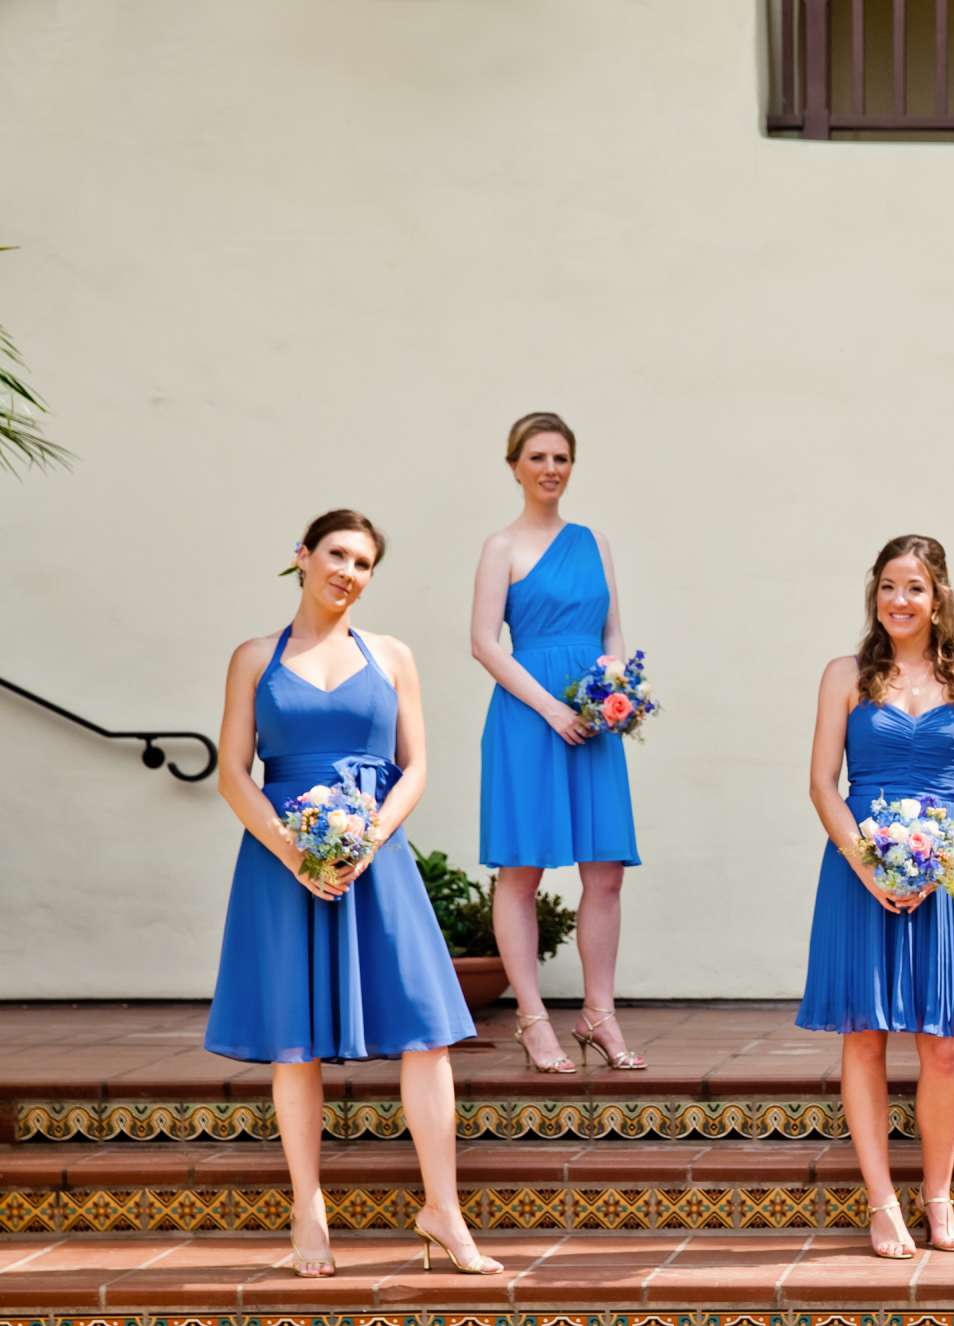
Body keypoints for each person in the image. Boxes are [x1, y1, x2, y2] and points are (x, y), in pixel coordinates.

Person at [205, 510, 499, 1278]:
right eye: (337, 554)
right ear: (302, 556)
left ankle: (443, 1211)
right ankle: (309, 1211)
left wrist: (366, 841)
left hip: (377, 856)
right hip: (282, 858)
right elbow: (235, 772)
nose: (348, 571)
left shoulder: (394, 655)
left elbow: (417, 764)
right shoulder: (251, 659)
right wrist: (293, 853)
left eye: (364, 563)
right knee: (294, 1040)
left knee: (426, 1033)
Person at [798, 536, 954, 1259]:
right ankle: (883, 1203)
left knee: (943, 1046)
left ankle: (939, 1198)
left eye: (913, 587)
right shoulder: (845, 676)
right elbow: (824, 783)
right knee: (866, 1035)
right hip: (861, 873)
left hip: (941, 877)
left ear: (938, 595)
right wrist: (869, 866)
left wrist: (940, 856)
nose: (898, 601)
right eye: (887, 586)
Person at [471, 412, 645, 1073]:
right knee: (521, 871)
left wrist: (613, 693)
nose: (551, 468)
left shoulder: (593, 541)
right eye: (538, 457)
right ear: (514, 465)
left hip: (592, 719)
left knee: (604, 871)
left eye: (562, 458)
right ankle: (533, 1018)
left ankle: (598, 1013)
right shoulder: (501, 547)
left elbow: (613, 632)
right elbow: (484, 644)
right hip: (527, 716)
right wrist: (551, 709)